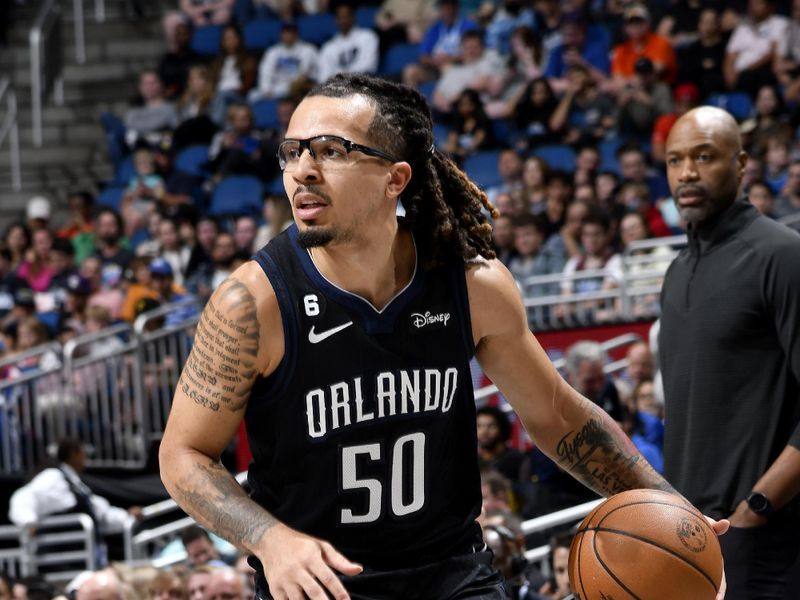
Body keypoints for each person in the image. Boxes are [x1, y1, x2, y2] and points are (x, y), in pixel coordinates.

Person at [158, 73, 726, 600]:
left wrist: (669, 510)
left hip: (452, 576)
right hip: (317, 585)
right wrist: (270, 539)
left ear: (395, 178)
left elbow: (557, 415)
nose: (302, 170)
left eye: (332, 151)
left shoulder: (472, 283)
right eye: (293, 150)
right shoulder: (251, 303)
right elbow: (183, 455)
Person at [660, 105, 800, 599]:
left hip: (764, 543)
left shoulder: (782, 256)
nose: (688, 173)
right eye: (675, 161)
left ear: (741, 165)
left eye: (704, 156)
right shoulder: (676, 272)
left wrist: (757, 507)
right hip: (687, 540)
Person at [9, 439, 142, 565]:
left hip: (87, 559)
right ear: (74, 453)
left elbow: (98, 511)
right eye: (83, 452)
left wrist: (126, 516)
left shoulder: (75, 482)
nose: (85, 458)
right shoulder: (53, 477)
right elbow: (23, 497)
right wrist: (28, 522)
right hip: (64, 564)